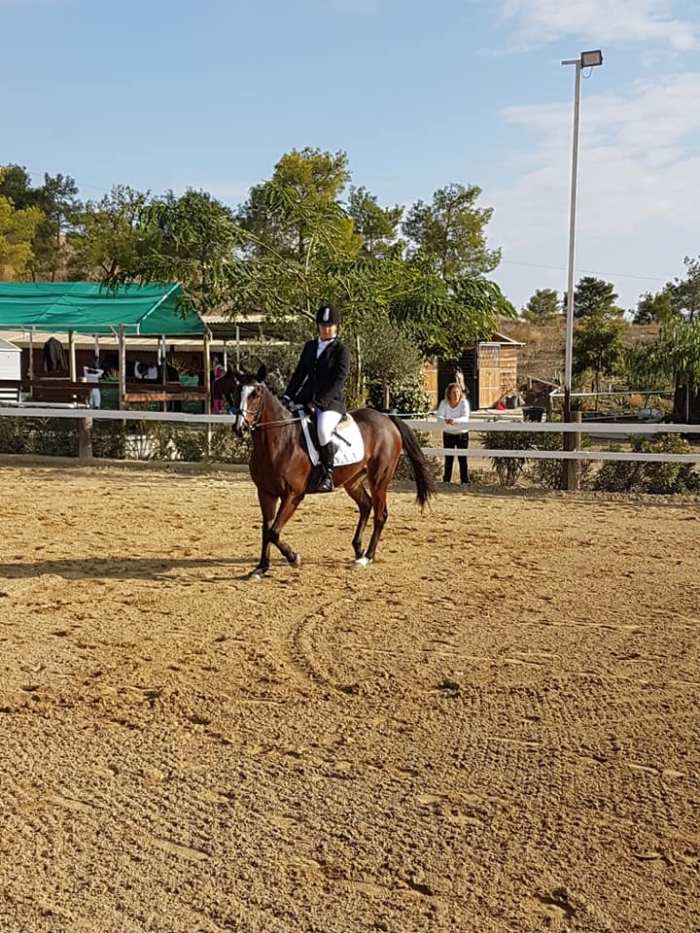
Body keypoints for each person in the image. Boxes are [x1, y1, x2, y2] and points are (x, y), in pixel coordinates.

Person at [283, 302, 350, 493]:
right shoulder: (310, 346)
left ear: (336, 327)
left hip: (331, 403)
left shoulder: (341, 350)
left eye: (329, 326)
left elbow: (338, 381)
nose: (326, 329)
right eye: (322, 325)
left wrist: (319, 403)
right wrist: (288, 396)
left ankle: (327, 475)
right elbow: (299, 374)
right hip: (306, 399)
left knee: (322, 429)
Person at [433, 383, 470, 485]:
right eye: (453, 392)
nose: (456, 394)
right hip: (448, 433)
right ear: (449, 394)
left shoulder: (464, 403)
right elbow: (439, 417)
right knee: (448, 458)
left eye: (458, 392)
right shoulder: (444, 403)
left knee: (462, 459)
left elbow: (465, 417)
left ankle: (465, 481)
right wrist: (446, 420)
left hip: (462, 434)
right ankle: (446, 480)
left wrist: (455, 421)